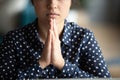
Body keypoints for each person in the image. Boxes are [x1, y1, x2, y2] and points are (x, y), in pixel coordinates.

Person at [0, 0, 111, 79]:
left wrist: (62, 64)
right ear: (33, 2)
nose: (52, 4)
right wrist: (41, 63)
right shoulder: (13, 39)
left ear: (71, 2)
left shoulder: (84, 38)